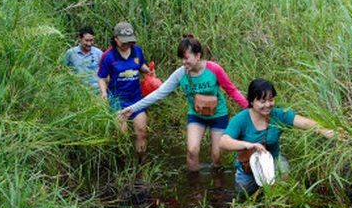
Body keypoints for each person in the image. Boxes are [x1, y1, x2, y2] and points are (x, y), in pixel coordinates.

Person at [120, 34, 248, 171]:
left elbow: (232, 91)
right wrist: (132, 109)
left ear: (198, 55)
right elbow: (159, 93)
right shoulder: (180, 74)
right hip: (196, 115)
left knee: (217, 156)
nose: (183, 62)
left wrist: (250, 109)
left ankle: (217, 186)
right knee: (192, 151)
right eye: (181, 58)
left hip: (218, 115)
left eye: (186, 58)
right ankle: (195, 188)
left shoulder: (214, 69)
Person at [219, 78, 335, 196]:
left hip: (274, 158)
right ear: (252, 101)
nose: (268, 105)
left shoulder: (278, 115)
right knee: (244, 197)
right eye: (262, 101)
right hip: (249, 166)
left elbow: (304, 122)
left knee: (283, 186)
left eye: (271, 100)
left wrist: (326, 131)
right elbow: (224, 142)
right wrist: (248, 145)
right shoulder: (241, 119)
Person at [98, 22, 154, 160]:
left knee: (141, 132)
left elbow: (140, 65)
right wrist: (103, 92)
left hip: (136, 97)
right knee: (122, 135)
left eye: (129, 42)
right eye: (124, 42)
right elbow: (101, 77)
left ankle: (142, 163)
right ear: (116, 38)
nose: (127, 45)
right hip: (117, 99)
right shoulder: (108, 56)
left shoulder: (137, 51)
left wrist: (148, 71)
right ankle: (124, 163)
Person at [64, 26, 103, 91]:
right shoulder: (71, 53)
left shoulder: (99, 53)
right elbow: (63, 69)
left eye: (91, 40)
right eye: (86, 40)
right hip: (78, 92)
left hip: (96, 91)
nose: (89, 43)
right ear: (80, 38)